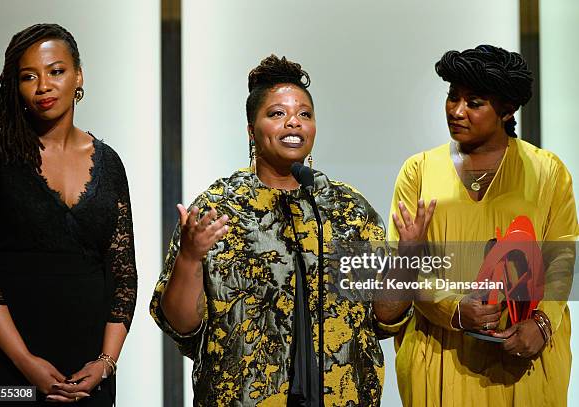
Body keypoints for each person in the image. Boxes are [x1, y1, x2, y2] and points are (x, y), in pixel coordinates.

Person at [150, 54, 433, 406]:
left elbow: (383, 317)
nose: (293, 123)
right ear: (251, 130)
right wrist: (190, 256)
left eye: (304, 114)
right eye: (277, 114)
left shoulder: (347, 209)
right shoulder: (219, 208)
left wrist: (407, 256)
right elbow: (182, 324)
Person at [388, 44, 578, 406]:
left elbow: (563, 257)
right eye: (452, 97)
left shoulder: (547, 170)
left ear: (507, 110)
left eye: (473, 103)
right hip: (441, 352)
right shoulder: (419, 170)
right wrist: (453, 309)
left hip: (522, 353)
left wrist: (543, 323)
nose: (456, 111)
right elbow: (404, 262)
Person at [0, 24, 137, 405]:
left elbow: (125, 276)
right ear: (17, 86)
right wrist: (26, 364)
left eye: (56, 71)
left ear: (78, 75)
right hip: (7, 367)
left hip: (90, 370)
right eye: (29, 76)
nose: (43, 85)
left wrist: (106, 363)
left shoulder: (110, 165)